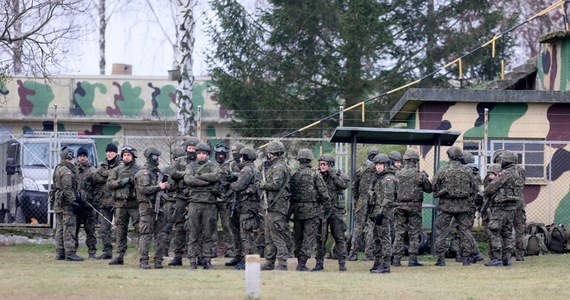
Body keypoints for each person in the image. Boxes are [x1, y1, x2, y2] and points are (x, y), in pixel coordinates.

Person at [432, 146, 478, 267]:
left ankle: (441, 259)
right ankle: (466, 258)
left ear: (449, 156)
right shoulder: (468, 171)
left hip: (446, 206)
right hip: (463, 207)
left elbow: (433, 186)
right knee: (465, 231)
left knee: (442, 232)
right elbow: (475, 189)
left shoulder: (443, 170)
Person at [290, 149, 330, 272]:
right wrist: (327, 208)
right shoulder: (315, 174)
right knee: (308, 237)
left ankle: (299, 261)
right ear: (310, 160)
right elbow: (324, 193)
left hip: (297, 211)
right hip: (312, 211)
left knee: (298, 237)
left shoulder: (294, 175)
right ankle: (302, 263)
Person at [483, 150, 525, 267]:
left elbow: (491, 188)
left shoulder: (505, 173)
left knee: (494, 230)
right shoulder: (518, 172)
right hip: (512, 207)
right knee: (507, 232)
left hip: (500, 206)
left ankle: (497, 258)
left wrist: (485, 192)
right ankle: (507, 258)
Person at [391, 148, 432, 267]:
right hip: (414, 207)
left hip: (399, 206)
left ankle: (396, 259)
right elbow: (429, 189)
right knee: (414, 233)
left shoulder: (397, 173)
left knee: (399, 233)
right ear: (415, 161)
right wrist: (425, 177)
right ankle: (412, 259)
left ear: (405, 160)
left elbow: (393, 191)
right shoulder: (419, 175)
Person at [184, 143, 221, 269]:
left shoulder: (213, 166)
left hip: (209, 204)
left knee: (208, 233)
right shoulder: (190, 166)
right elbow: (188, 180)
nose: (201, 155)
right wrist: (207, 182)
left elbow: (216, 176)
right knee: (193, 232)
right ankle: (192, 261)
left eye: (204, 154)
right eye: (199, 153)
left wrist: (198, 177)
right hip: (194, 203)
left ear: (207, 155)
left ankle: (207, 260)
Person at [258, 140, 292, 271]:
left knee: (277, 235)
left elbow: (276, 185)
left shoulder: (279, 167)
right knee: (269, 236)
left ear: (272, 154)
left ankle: (282, 262)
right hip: (270, 206)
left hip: (277, 206)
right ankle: (269, 261)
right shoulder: (273, 166)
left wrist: (262, 184)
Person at [135, 147, 169, 269]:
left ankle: (158, 260)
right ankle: (144, 260)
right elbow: (144, 190)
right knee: (146, 234)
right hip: (147, 207)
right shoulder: (143, 173)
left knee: (160, 235)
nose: (158, 159)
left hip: (159, 206)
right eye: (156, 157)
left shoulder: (158, 172)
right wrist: (159, 187)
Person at [314, 153, 349, 271]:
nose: (322, 166)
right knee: (320, 238)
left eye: (324, 164)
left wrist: (333, 175)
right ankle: (319, 263)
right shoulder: (317, 175)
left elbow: (344, 185)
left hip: (336, 211)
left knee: (339, 237)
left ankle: (342, 263)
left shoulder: (338, 174)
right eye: (320, 164)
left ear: (331, 165)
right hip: (322, 211)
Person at [168, 137, 200, 266]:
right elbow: (173, 173)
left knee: (197, 226)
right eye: (189, 148)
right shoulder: (180, 161)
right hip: (181, 196)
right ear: (186, 149)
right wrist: (187, 174)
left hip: (195, 196)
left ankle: (198, 255)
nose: (191, 151)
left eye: (194, 148)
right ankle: (178, 255)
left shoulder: (201, 162)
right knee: (180, 226)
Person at [228, 147, 260, 270]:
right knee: (244, 233)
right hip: (247, 205)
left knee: (246, 234)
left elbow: (239, 186)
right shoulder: (251, 168)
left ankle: (247, 261)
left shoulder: (246, 169)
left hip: (248, 205)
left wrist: (230, 184)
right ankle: (243, 258)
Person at [107, 146, 140, 265]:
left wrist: (133, 181)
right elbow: (110, 184)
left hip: (134, 203)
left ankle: (143, 255)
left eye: (128, 155)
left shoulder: (139, 169)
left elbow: (143, 183)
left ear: (133, 156)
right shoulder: (117, 170)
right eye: (125, 155)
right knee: (120, 229)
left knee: (139, 229)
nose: (126, 157)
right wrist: (122, 182)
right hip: (120, 204)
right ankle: (119, 255)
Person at [348, 147, 379, 261]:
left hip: (362, 200)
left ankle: (353, 254)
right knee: (372, 228)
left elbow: (353, 186)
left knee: (358, 228)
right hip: (374, 201)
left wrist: (357, 199)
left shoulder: (361, 169)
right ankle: (369, 254)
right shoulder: (378, 169)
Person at [367, 153, 396, 274]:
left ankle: (386, 265)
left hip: (383, 214)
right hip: (375, 212)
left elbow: (388, 198)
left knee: (385, 239)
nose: (378, 167)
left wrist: (381, 213)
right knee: (376, 239)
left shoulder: (388, 179)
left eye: (381, 164)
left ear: (386, 165)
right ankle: (377, 262)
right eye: (377, 164)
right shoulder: (377, 178)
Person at [53, 147, 83, 261]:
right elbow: (67, 188)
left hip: (59, 203)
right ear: (69, 157)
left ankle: (60, 252)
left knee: (60, 228)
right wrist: (74, 202)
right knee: (69, 227)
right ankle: (70, 252)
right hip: (66, 204)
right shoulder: (66, 171)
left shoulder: (58, 168)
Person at [92, 143, 121, 259]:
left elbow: (120, 178)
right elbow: (95, 177)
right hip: (104, 201)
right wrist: (110, 177)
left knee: (120, 227)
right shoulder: (102, 164)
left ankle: (119, 251)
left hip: (117, 201)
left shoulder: (121, 164)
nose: (109, 154)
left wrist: (106, 177)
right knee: (104, 229)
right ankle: (107, 251)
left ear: (116, 153)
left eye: (111, 152)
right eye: (107, 152)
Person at [157, 146, 186, 258]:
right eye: (175, 159)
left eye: (180, 158)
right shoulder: (166, 171)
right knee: (166, 227)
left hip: (181, 201)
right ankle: (163, 251)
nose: (177, 161)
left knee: (181, 227)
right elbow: (161, 185)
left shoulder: (186, 170)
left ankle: (181, 252)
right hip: (169, 201)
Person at [74, 147, 97, 259]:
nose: (82, 158)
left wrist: (93, 200)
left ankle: (92, 252)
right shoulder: (73, 170)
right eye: (80, 156)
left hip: (89, 205)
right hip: (76, 205)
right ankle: (72, 251)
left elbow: (96, 187)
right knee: (74, 229)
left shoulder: (92, 171)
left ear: (87, 157)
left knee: (90, 230)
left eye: (84, 156)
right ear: (77, 157)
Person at [213, 143, 236, 258]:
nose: (220, 156)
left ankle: (229, 249)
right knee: (211, 225)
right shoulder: (211, 166)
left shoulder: (230, 166)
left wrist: (231, 178)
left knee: (227, 226)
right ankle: (211, 249)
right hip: (212, 200)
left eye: (223, 154)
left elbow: (237, 182)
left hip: (226, 200)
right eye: (218, 154)